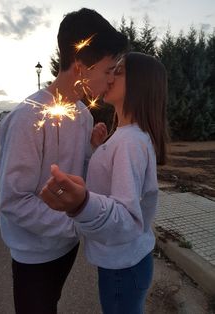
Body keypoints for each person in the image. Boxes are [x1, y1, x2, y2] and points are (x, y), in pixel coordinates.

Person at [0, 8, 128, 314]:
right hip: (34, 255)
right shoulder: (27, 119)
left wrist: (97, 154)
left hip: (66, 246)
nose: (111, 80)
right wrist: (79, 226)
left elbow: (79, 175)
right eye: (108, 70)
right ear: (81, 66)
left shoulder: (82, 114)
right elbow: (14, 201)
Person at [40, 51, 169, 314]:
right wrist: (98, 149)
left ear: (139, 84)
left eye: (118, 72)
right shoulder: (124, 138)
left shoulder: (129, 143)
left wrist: (82, 204)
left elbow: (127, 216)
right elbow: (110, 186)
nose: (109, 77)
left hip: (123, 266)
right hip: (126, 262)